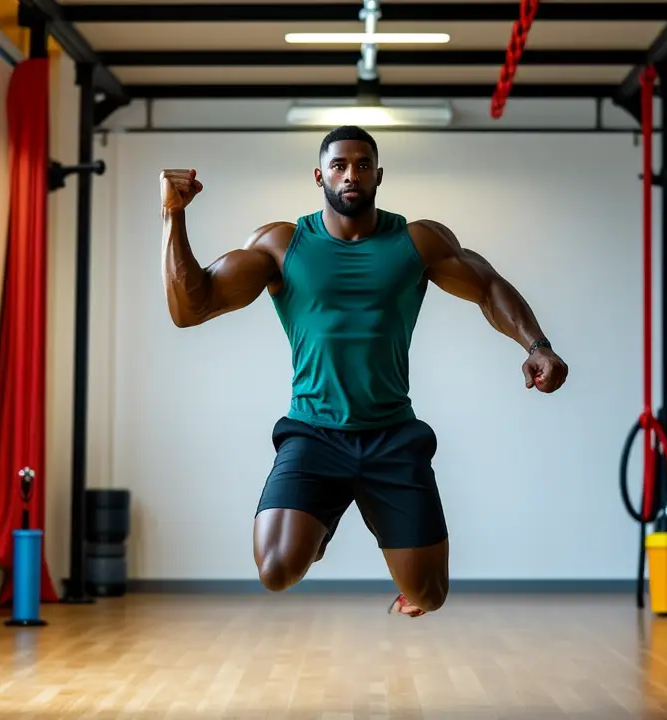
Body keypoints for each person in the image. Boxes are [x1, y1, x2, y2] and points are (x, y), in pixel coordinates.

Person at [160, 125, 569, 617]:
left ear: (378, 175)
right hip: (314, 434)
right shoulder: (281, 245)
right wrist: (173, 214)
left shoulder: (418, 240)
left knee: (429, 595)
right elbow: (191, 307)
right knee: (275, 569)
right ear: (320, 176)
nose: (351, 174)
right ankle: (321, 522)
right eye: (339, 165)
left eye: (362, 165)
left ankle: (372, 542)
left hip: (392, 437)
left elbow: (487, 285)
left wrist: (537, 345)